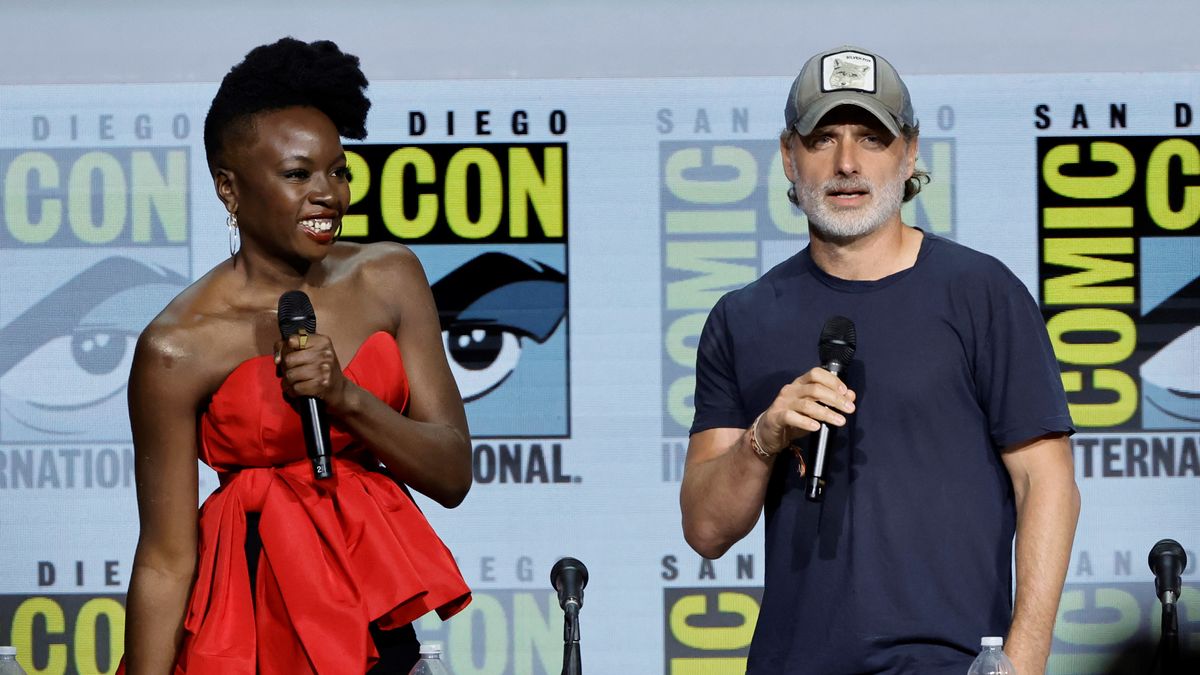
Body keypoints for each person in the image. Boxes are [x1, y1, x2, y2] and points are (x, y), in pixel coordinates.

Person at [680, 46, 1080, 675]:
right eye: (823, 139)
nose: (846, 163)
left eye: (871, 137)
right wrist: (764, 436)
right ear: (789, 156)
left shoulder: (980, 292)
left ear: (910, 152)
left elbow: (1046, 481)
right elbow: (705, 529)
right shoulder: (742, 317)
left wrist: (1024, 660)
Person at [122, 38, 472, 674]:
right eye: (297, 174)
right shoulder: (176, 346)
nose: (328, 194)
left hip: (371, 617)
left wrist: (348, 399)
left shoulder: (390, 276)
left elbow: (451, 473)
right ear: (230, 187)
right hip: (245, 628)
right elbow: (166, 558)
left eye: (338, 171)